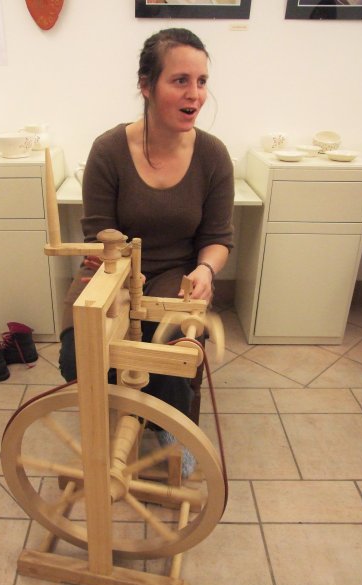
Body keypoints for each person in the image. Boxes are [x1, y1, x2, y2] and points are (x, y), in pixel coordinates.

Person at [59, 28, 234, 471]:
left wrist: (206, 271)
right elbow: (98, 231)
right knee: (77, 355)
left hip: (176, 271)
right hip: (111, 266)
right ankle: (123, 405)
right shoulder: (109, 150)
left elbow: (218, 238)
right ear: (146, 86)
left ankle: (169, 421)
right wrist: (120, 273)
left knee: (169, 352)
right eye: (180, 80)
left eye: (201, 81)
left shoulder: (213, 155)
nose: (195, 94)